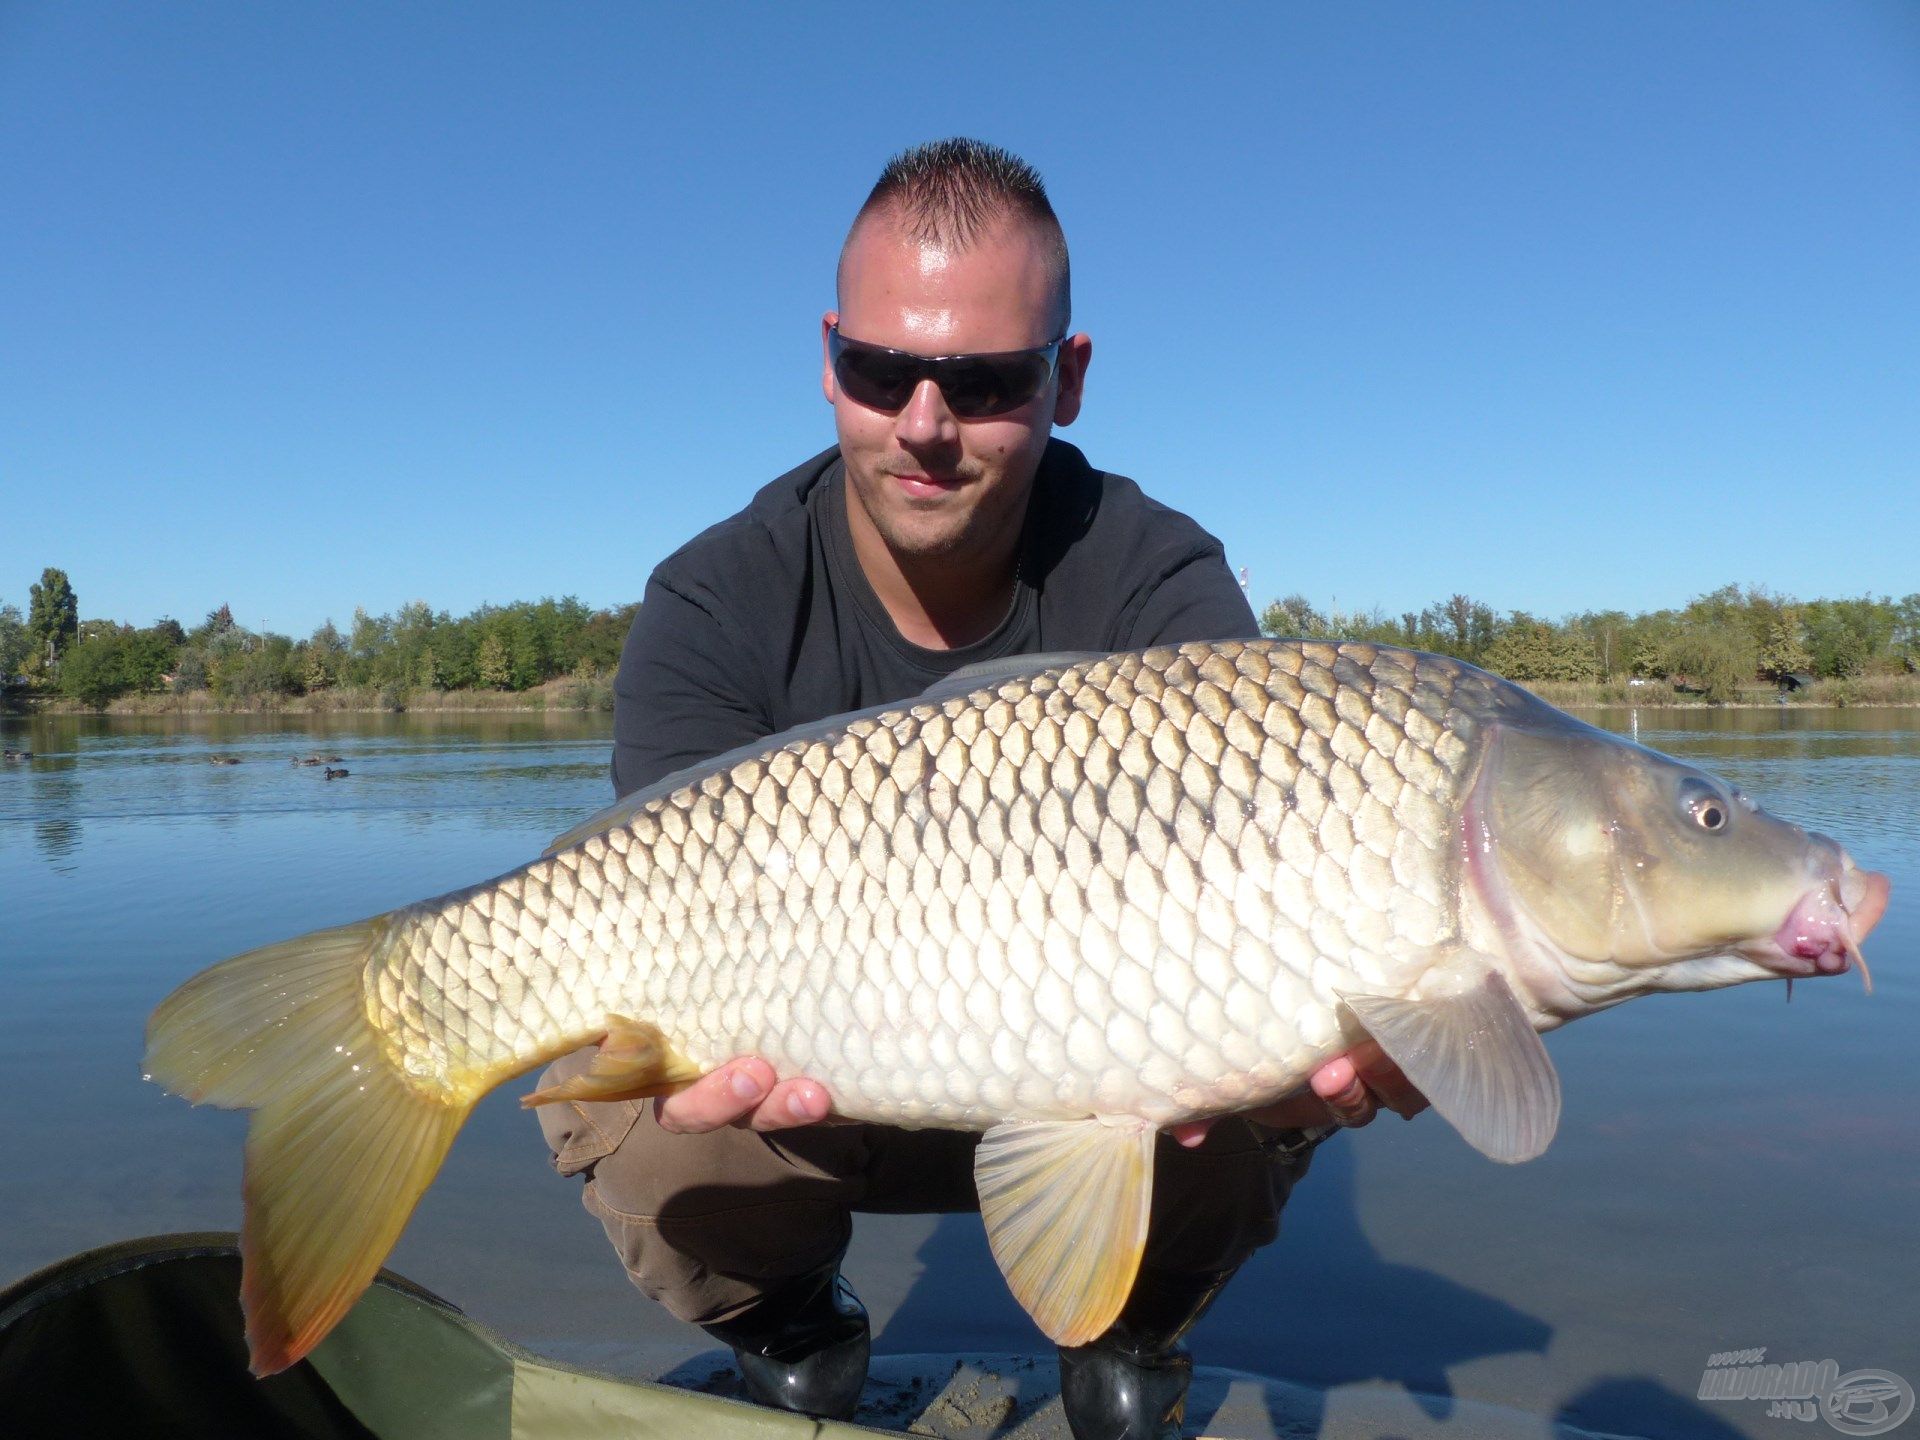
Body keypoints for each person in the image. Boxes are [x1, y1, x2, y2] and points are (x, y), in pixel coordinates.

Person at [536, 138, 1424, 1440]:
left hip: (1103, 1082)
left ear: (1066, 380)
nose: (926, 423)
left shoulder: (1161, 581)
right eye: (882, 370)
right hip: (809, 1086)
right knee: (644, 1108)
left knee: (1268, 1047)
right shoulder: (714, 601)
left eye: (986, 379)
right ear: (830, 356)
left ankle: (1132, 1324)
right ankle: (789, 1327)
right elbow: (650, 914)